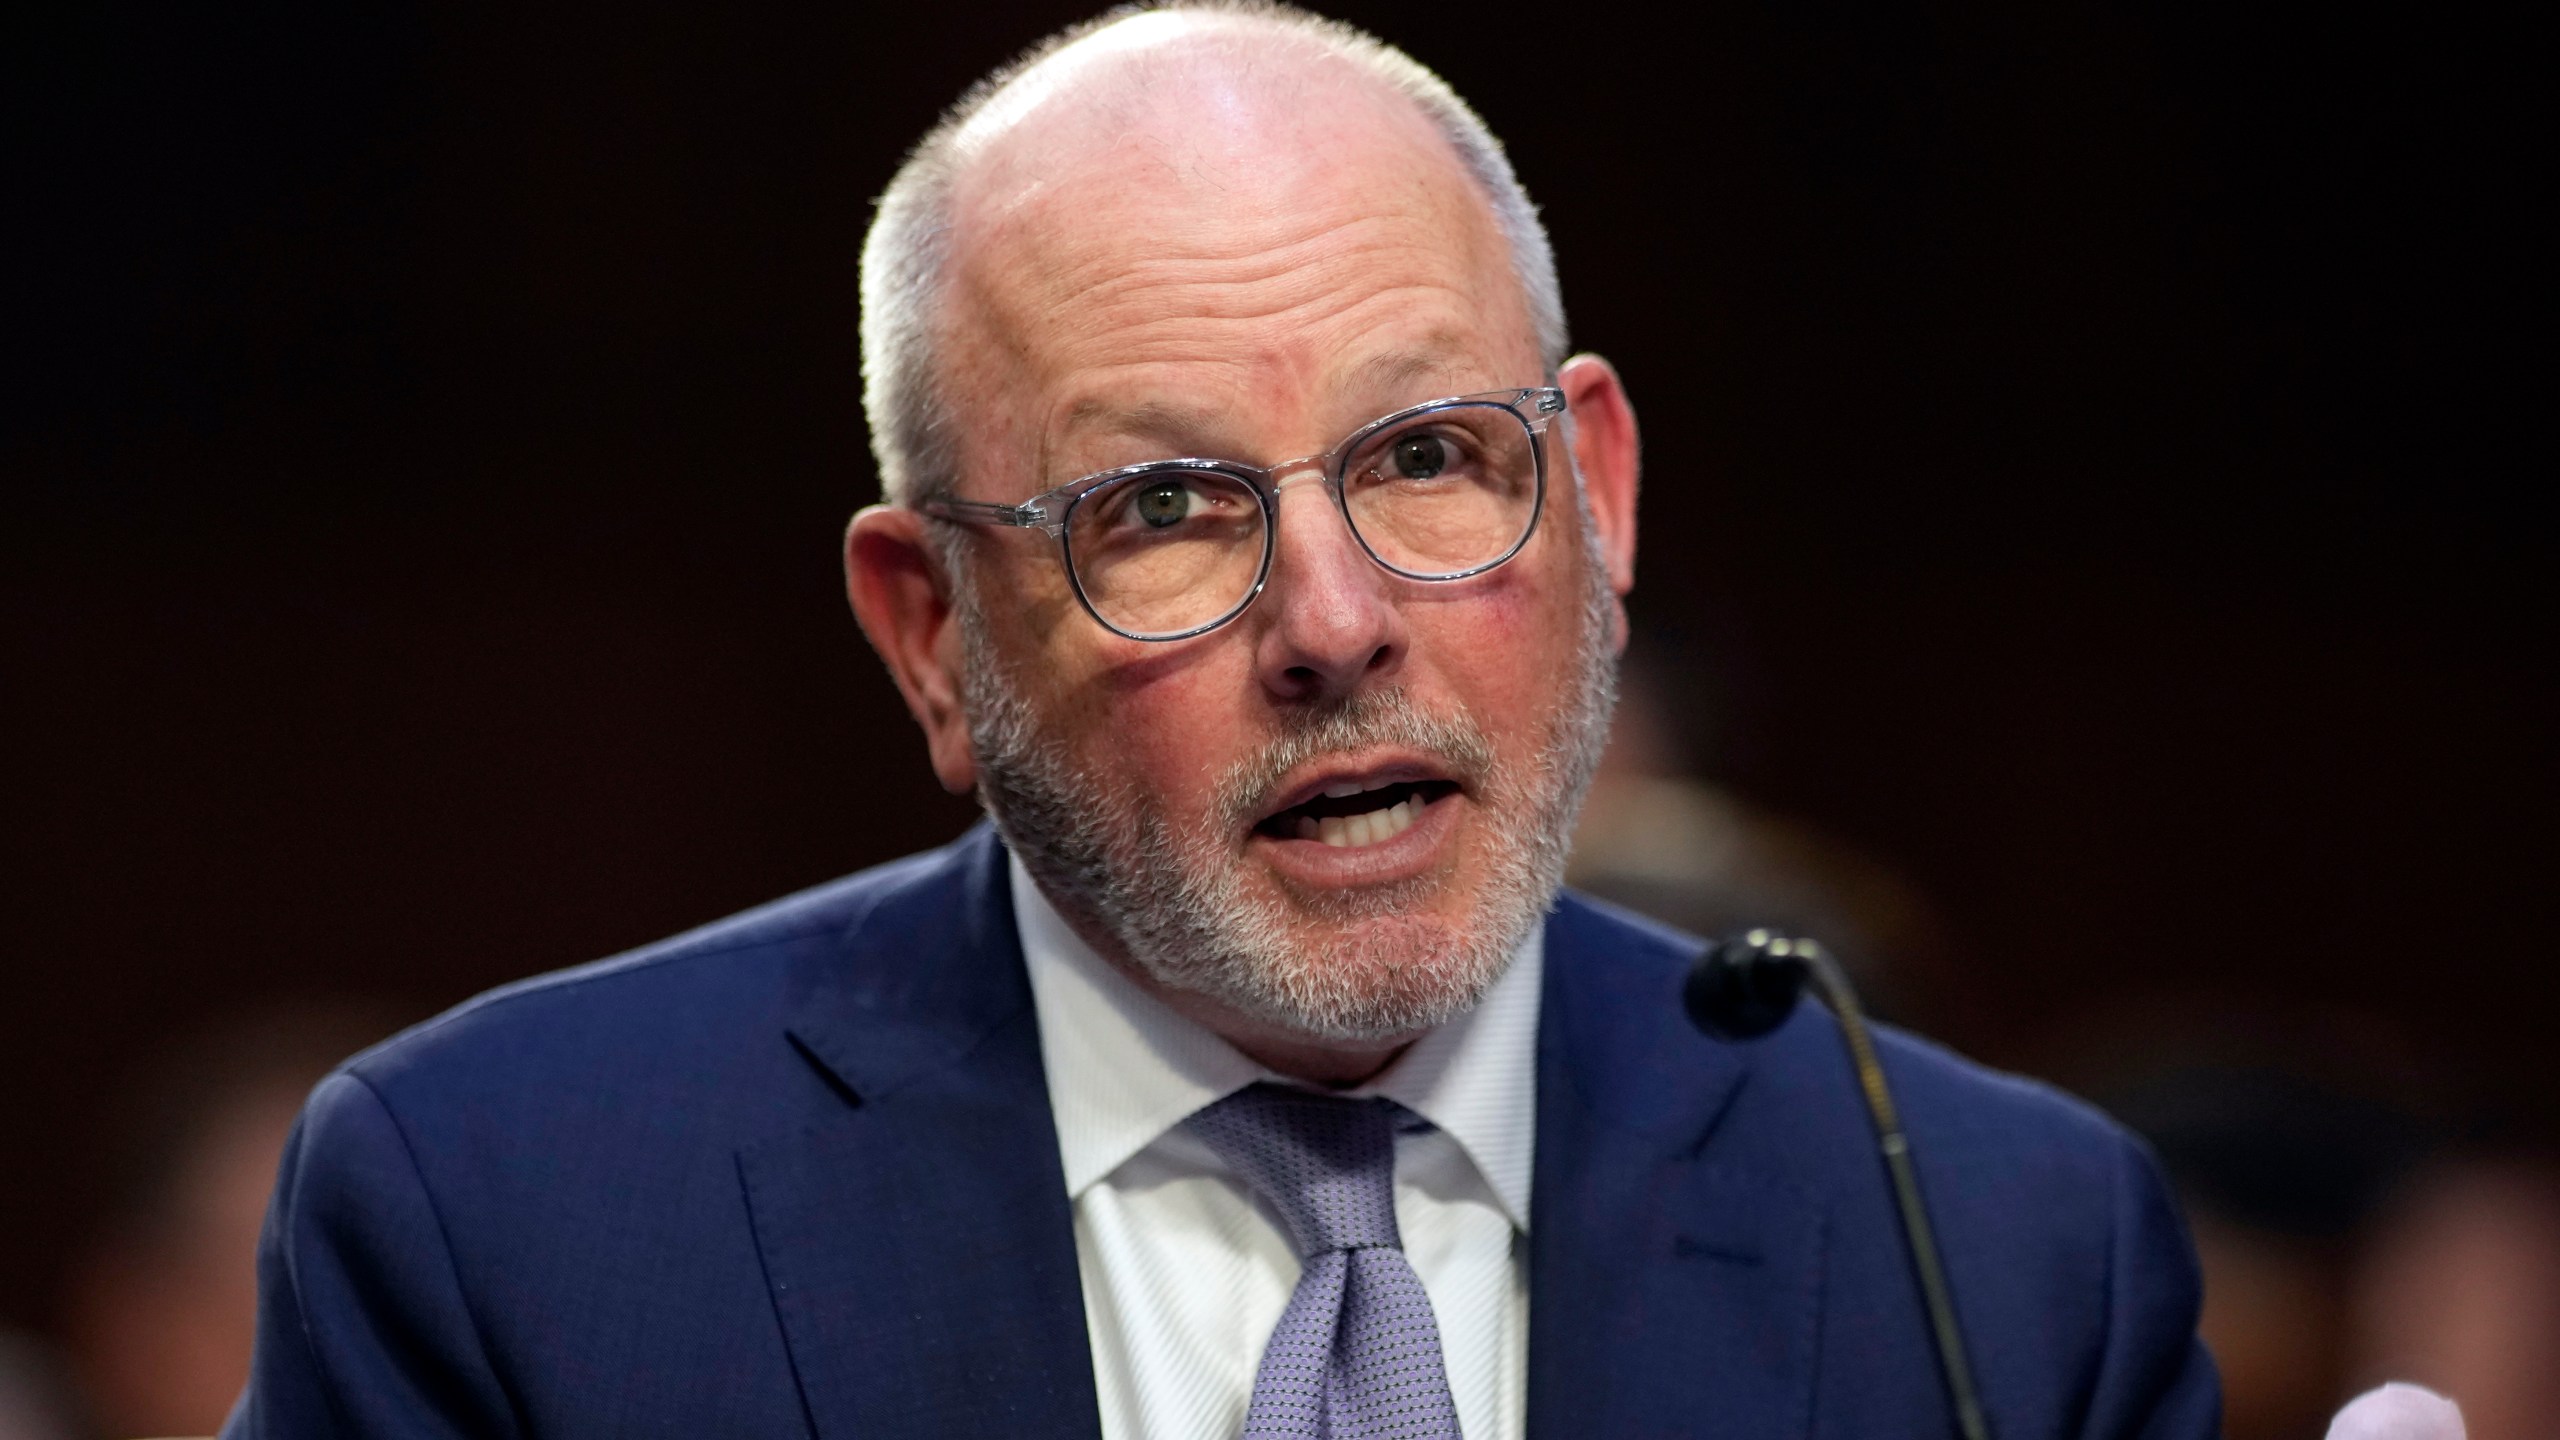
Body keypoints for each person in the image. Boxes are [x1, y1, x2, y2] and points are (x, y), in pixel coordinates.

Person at [226, 5, 2220, 1436]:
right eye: (1161, 511)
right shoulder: (511, 1219)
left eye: (1430, 455)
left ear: (1596, 499)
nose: (1335, 625)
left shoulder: (1996, 1252)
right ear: (930, 636)